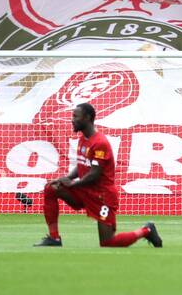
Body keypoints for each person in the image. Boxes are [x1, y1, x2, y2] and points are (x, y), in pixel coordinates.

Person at [35, 103, 162, 249]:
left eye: (75, 116)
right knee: (51, 188)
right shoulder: (83, 138)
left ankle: (147, 230)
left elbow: (95, 174)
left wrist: (73, 184)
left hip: (102, 197)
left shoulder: (100, 142)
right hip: (85, 191)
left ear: (87, 117)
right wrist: (67, 178)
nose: (72, 120)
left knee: (108, 243)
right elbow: (82, 165)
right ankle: (54, 238)